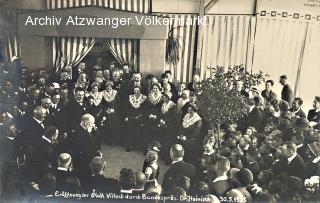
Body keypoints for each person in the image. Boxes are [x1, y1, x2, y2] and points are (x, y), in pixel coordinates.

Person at [67, 114, 101, 183]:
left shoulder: (84, 130)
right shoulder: (78, 132)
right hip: (82, 162)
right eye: (91, 123)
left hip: (85, 158)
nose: (93, 125)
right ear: (86, 123)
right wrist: (95, 154)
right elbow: (86, 148)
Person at [124, 85, 147, 151]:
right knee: (130, 132)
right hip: (131, 117)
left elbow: (144, 109)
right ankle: (129, 146)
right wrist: (127, 116)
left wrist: (142, 117)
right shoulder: (130, 97)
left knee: (138, 132)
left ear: (140, 91)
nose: (136, 92)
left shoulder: (144, 98)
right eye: (135, 90)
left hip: (139, 117)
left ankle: (138, 146)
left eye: (138, 90)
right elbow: (128, 108)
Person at [158, 93, 178, 163]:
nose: (164, 98)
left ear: (169, 98)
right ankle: (163, 155)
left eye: (166, 97)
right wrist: (161, 120)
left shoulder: (173, 106)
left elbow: (173, 117)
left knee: (168, 142)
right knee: (163, 140)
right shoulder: (163, 104)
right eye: (164, 96)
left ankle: (168, 159)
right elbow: (161, 114)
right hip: (163, 125)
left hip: (170, 126)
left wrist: (165, 121)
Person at [100, 80, 120, 144]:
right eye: (107, 86)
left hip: (114, 112)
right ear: (105, 87)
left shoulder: (115, 93)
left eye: (110, 86)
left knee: (114, 126)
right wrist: (106, 109)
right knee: (107, 126)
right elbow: (101, 104)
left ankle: (114, 140)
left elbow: (119, 103)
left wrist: (114, 109)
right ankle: (107, 140)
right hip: (106, 112)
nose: (109, 88)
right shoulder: (102, 93)